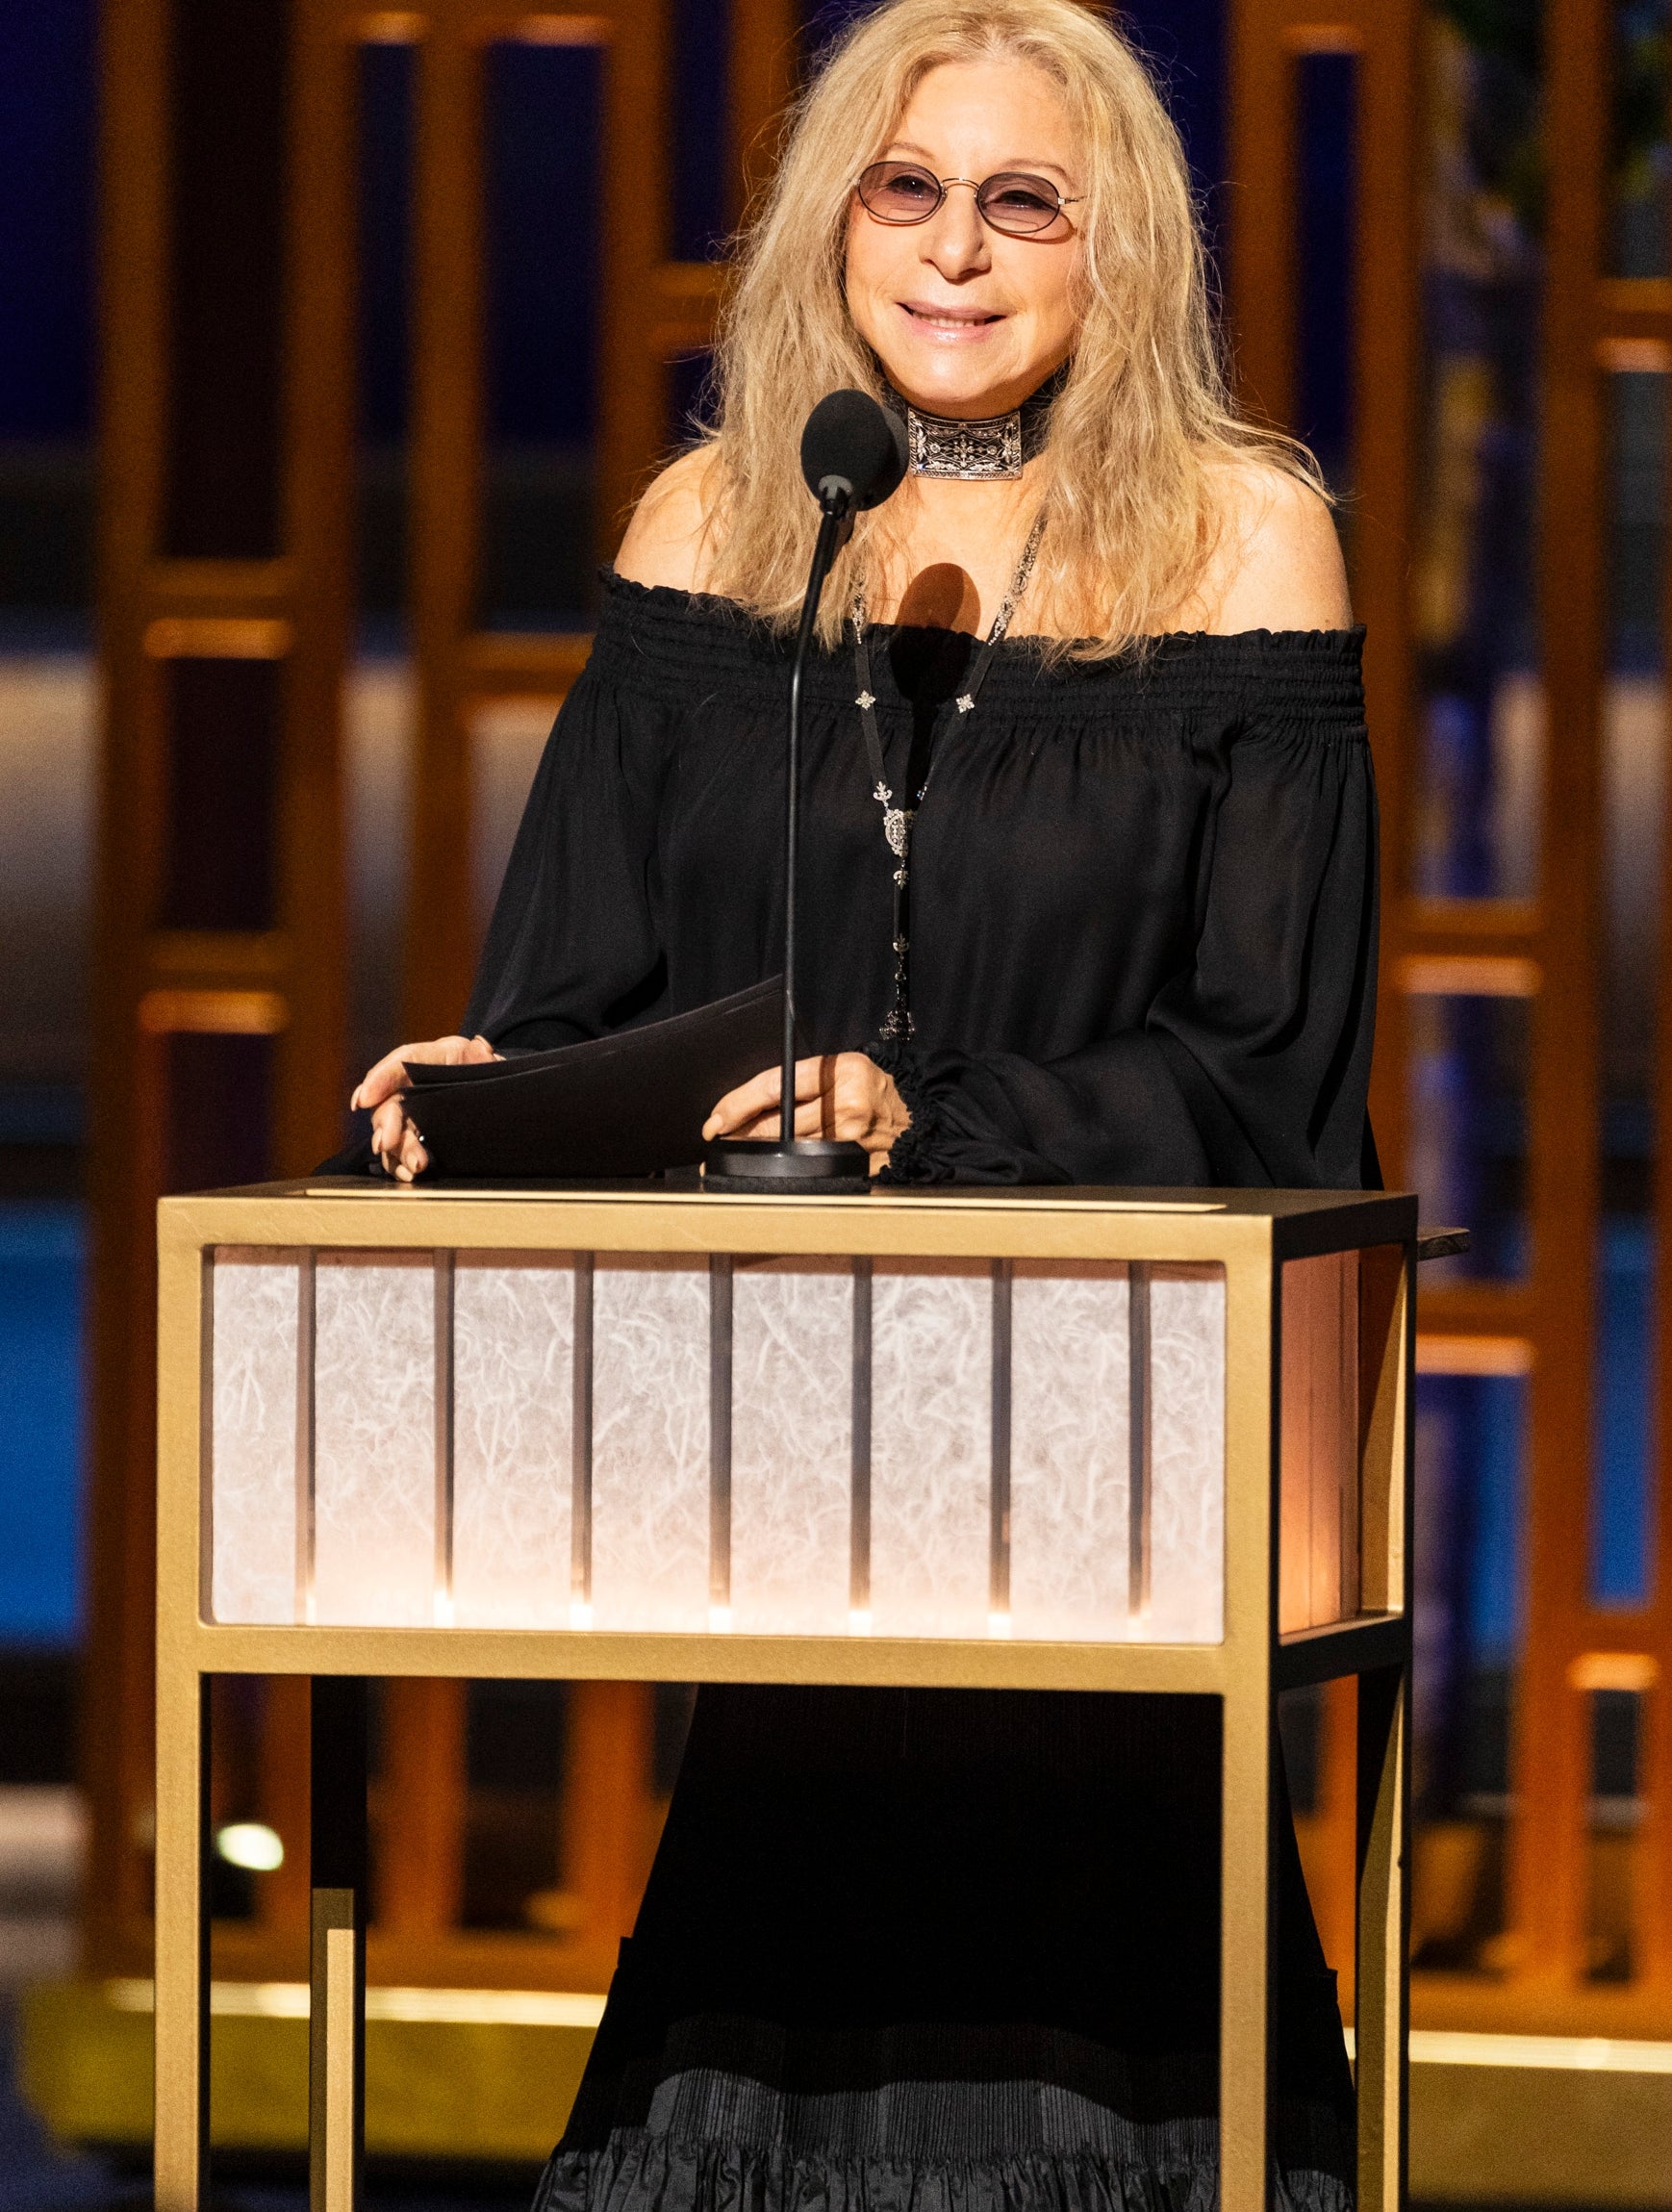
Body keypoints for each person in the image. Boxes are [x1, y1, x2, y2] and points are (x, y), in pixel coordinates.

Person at [354, 2, 1374, 2206]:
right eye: (903, 191)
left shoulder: (1241, 540)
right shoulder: (720, 522)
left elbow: (1264, 1060)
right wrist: (487, 1089)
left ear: (1121, 252)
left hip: (1098, 1444)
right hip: (779, 1446)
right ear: (828, 226)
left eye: (1025, 202)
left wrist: (935, 1108)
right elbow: (577, 992)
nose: (953, 252)